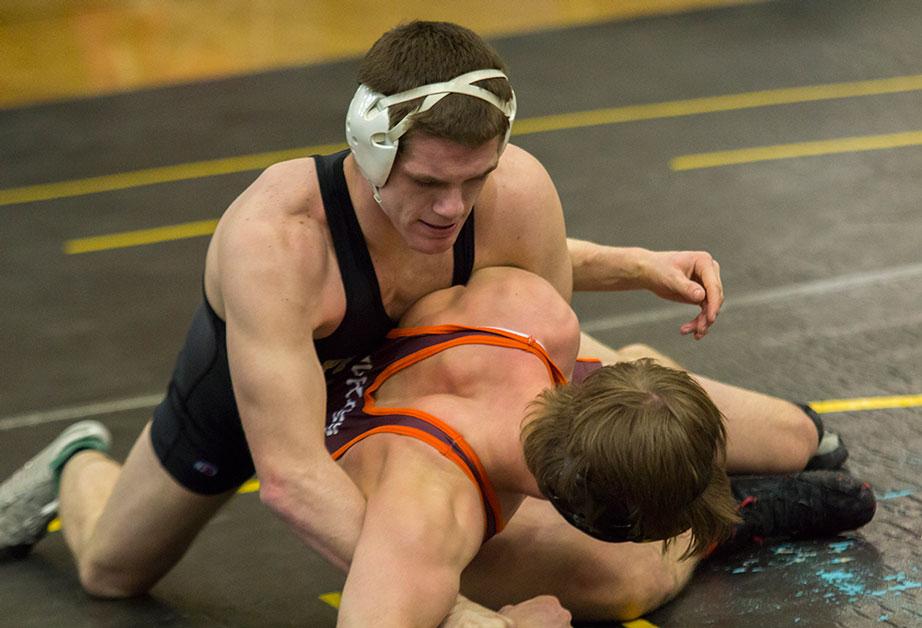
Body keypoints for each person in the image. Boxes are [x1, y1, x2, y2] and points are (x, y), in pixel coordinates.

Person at [0, 20, 839, 616]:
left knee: (590, 535)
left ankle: (742, 440)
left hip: (434, 379)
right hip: (275, 396)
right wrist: (461, 614)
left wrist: (631, 267)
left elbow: (543, 346)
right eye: (430, 182)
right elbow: (291, 481)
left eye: (473, 181)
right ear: (370, 146)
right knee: (114, 572)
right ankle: (77, 460)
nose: (453, 208)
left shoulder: (510, 190)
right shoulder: (277, 242)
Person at [322, 266, 874, 625]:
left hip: (509, 352)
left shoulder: (535, 308)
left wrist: (637, 263)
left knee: (800, 438)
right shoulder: (429, 509)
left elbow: (539, 244)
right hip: (420, 451)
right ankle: (725, 525)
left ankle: (700, 457)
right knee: (627, 580)